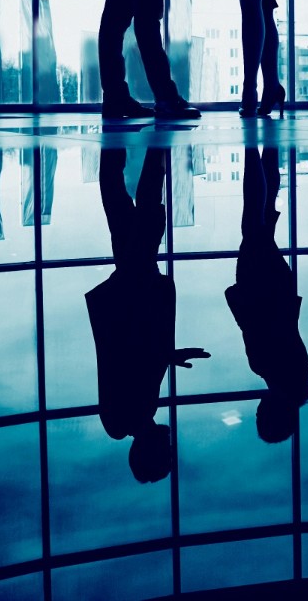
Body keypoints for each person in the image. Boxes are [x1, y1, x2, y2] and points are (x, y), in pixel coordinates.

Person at [86, 147, 208, 482]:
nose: (170, 447)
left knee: (146, 212)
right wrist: (167, 356)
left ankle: (157, 143)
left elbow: (130, 357)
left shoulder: (129, 417)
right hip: (129, 288)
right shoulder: (125, 420)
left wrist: (166, 355)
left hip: (135, 290)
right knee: (122, 206)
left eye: (164, 454)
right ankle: (119, 141)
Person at [227, 145, 308, 442]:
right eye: (261, 415)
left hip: (278, 288)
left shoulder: (298, 376)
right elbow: (253, 323)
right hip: (259, 287)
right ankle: (253, 149)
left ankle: (269, 148)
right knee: (253, 219)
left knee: (261, 215)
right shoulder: (265, 367)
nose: (257, 410)